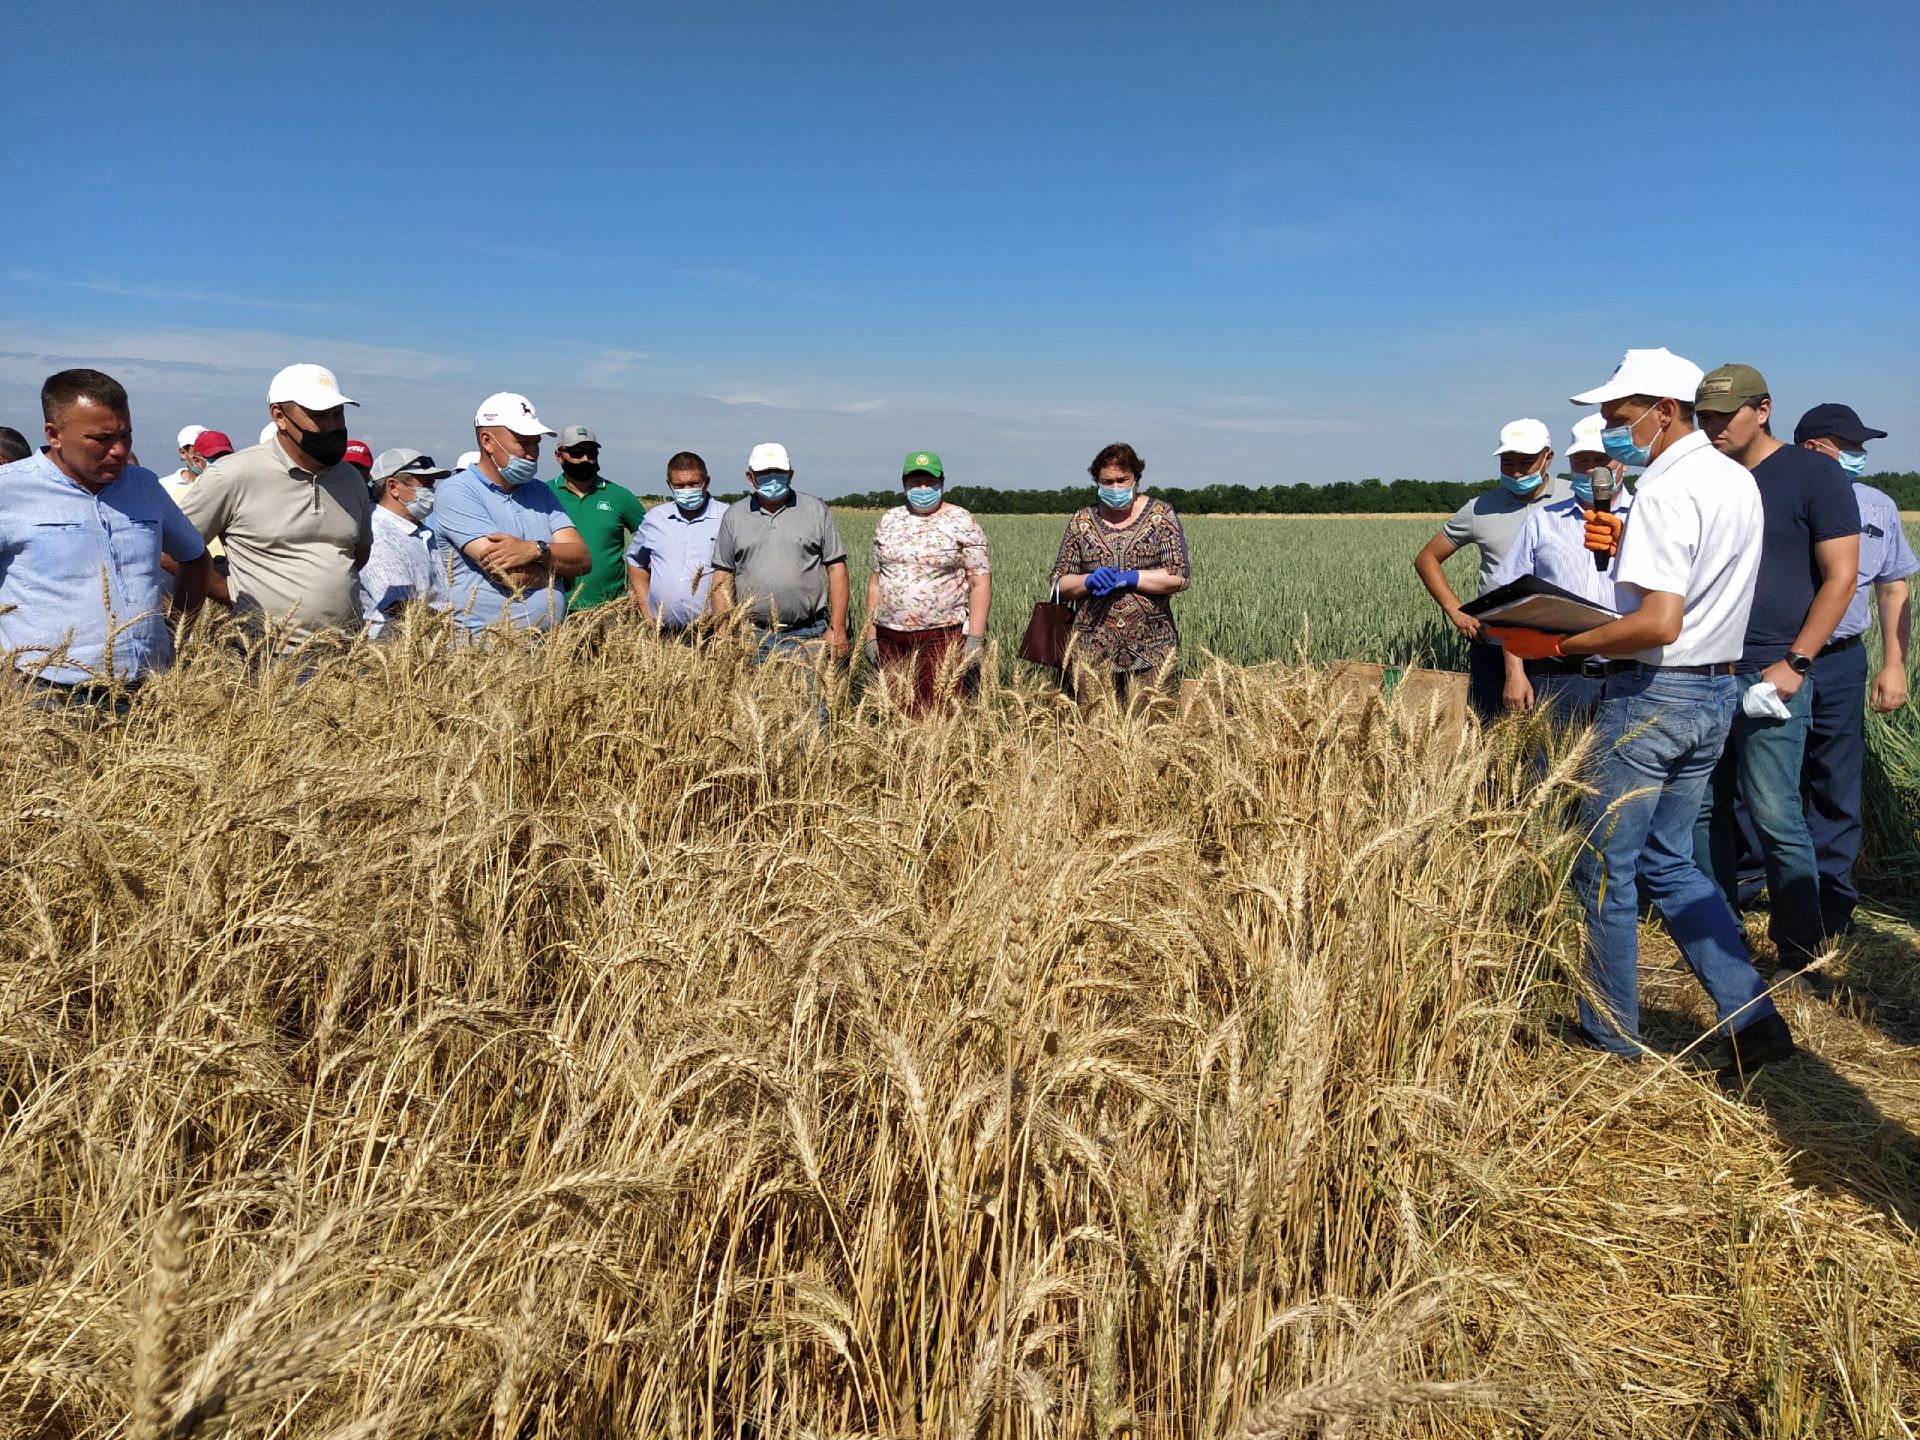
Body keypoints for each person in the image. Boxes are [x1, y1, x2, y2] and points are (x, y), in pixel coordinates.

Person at [1488, 347, 1791, 1071]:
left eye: (1620, 417)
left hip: (1652, 694)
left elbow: (1657, 623)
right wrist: (1625, 547)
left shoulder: (1661, 488)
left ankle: (1609, 1042)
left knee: (1603, 867)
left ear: (1664, 409)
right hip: (1715, 692)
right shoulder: (1735, 479)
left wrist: (1562, 646)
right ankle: (1755, 1020)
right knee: (1670, 859)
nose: (1610, 430)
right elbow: (1697, 579)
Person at [1689, 365, 1859, 975]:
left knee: (1774, 811)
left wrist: (1795, 662)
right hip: (1702, 669)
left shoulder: (1814, 475)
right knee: (1705, 808)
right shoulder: (1703, 477)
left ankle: (1797, 943)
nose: (1711, 428)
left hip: (1771, 672)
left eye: (1723, 416)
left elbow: (1841, 578)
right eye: (1702, 416)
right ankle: (1719, 935)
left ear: (1762, 409)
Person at [0, 369, 209, 706]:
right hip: (43, 694)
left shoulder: (144, 486)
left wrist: (175, 634)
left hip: (148, 692)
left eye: (126, 435)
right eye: (102, 438)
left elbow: (195, 558)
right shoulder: (8, 490)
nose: (119, 450)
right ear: (54, 434)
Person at [1793, 402, 1914, 936]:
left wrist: (1894, 662)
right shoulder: (1769, 496)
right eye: (1853, 447)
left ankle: (1830, 897)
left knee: (1835, 780)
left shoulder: (1878, 506)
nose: (1861, 457)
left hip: (1843, 663)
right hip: (1776, 658)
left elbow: (1893, 586)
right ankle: (1751, 887)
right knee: (1759, 779)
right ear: (1816, 447)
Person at [178, 364, 374, 649]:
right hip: (268, 658)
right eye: (319, 416)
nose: (333, 426)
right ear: (280, 417)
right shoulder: (233, 475)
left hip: (346, 652)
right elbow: (173, 549)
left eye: (338, 414)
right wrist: (230, 593)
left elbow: (358, 553)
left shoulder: (351, 479)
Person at [1414, 420, 1568, 721]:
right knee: (1493, 740)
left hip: (1559, 647)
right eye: (1507, 463)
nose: (1516, 472)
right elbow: (1427, 558)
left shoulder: (1573, 497)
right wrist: (1455, 609)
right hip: (1494, 646)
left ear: (1548, 458)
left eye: (1526, 462)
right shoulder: (1479, 509)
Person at [1485, 415, 1633, 722]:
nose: (1592, 469)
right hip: (1558, 677)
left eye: (1601, 459)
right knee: (1549, 769)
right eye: (1581, 460)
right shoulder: (1543, 521)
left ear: (1623, 464)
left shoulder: (1647, 516)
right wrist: (1514, 673)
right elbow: (1512, 603)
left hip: (1632, 677)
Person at [431, 392, 589, 640]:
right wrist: (560, 576)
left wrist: (535, 551)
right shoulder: (457, 491)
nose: (532, 452)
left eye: (536, 442)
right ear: (487, 441)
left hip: (547, 651)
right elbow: (507, 574)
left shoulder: (540, 491)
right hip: (485, 652)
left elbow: (582, 559)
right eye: (523, 442)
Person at [1047, 442, 1190, 704]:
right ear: (1097, 482)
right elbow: (1058, 583)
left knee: (1152, 734)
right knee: (1094, 735)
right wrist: (1088, 581)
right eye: (1107, 482)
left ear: (1136, 478)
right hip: (1091, 652)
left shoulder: (1161, 515)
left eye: (1122, 480)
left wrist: (1130, 578)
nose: (1115, 488)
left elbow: (1178, 575)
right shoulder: (1082, 520)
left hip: (1153, 650)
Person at [861, 451, 992, 712]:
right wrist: (870, 632)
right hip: (890, 637)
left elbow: (980, 583)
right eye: (915, 482)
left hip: (941, 636)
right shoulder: (890, 520)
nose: (922, 488)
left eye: (929, 482)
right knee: (895, 712)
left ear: (942, 483)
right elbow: (876, 580)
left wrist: (975, 637)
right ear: (903, 484)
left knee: (939, 712)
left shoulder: (962, 520)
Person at [709, 443, 851, 663]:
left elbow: (836, 567)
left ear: (791, 474)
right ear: (750, 477)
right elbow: (723, 573)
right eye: (764, 473)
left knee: (810, 698)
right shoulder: (734, 515)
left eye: (779, 473)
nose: (772, 478)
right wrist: (723, 630)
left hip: (809, 632)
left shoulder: (815, 510)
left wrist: (838, 627)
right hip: (752, 634)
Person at [547, 424, 646, 612]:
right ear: (558, 456)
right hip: (556, 608)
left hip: (610, 608)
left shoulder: (620, 496)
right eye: (577, 453)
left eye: (591, 453)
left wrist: (637, 589)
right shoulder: (543, 494)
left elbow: (652, 541)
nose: (585, 459)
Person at [358, 448, 453, 639]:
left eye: (432, 484)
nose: (431, 492)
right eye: (424, 484)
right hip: (399, 654)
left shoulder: (423, 532)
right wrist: (453, 625)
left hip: (429, 649)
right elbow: (399, 605)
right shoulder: (376, 532)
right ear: (393, 487)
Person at [626, 451, 725, 632]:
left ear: (707, 482)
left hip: (713, 634)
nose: (687, 490)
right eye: (679, 485)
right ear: (669, 485)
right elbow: (635, 562)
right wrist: (646, 610)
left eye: (693, 484)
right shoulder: (655, 519)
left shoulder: (727, 517)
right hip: (663, 632)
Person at [157, 424, 209, 495]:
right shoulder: (163, 486)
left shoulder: (222, 485)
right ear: (183, 453)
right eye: (199, 448)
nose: (207, 454)